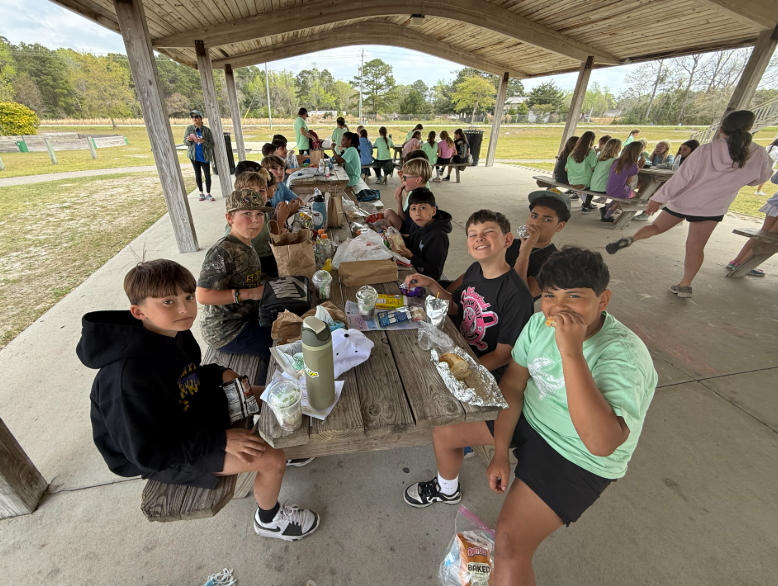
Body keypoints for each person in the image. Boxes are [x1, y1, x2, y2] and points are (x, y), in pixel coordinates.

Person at [403, 246, 657, 584]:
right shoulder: (539, 324)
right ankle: (446, 488)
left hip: (578, 455)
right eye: (551, 295)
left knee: (508, 547)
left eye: (575, 297)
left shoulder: (623, 355)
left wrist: (571, 351)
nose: (559, 308)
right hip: (532, 417)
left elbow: (601, 444)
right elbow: (513, 384)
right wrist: (499, 451)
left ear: (603, 300)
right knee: (447, 431)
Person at [77, 259, 320, 541]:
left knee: (270, 393)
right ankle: (269, 519)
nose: (184, 308)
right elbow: (148, 451)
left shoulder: (172, 331)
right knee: (272, 459)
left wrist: (219, 373)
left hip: (185, 411)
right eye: (168, 302)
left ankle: (278, 439)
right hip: (166, 451)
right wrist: (221, 440)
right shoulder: (126, 380)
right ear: (138, 311)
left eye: (189, 297)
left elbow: (185, 374)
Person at [606, 110, 774, 298]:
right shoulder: (758, 153)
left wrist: (657, 198)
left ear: (721, 129)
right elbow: (761, 177)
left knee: (655, 226)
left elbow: (682, 177)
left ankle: (632, 239)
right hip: (713, 207)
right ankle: (685, 285)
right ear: (749, 129)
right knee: (695, 247)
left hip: (684, 200)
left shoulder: (707, 149)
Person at [406, 209, 534, 381]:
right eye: (473, 235)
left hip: (483, 370)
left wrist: (461, 370)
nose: (479, 238)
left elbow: (503, 356)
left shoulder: (517, 296)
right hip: (458, 348)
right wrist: (430, 283)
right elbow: (454, 307)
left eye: (488, 232)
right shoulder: (474, 270)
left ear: (508, 239)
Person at [447, 190, 569, 300]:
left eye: (547, 219)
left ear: (559, 226)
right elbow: (475, 271)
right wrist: (448, 294)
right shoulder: (509, 243)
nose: (536, 223)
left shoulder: (556, 263)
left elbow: (521, 293)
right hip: (472, 299)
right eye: (534, 216)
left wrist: (525, 252)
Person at [197, 189, 274, 357]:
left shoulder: (246, 242)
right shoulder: (223, 251)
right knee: (277, 348)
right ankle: (264, 383)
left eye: (259, 213)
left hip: (248, 316)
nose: (255, 219)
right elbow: (203, 295)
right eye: (247, 213)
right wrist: (250, 294)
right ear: (229, 218)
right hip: (226, 330)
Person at [392, 188, 452, 281]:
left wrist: (411, 256)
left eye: (423, 208)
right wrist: (395, 237)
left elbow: (434, 273)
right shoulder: (416, 225)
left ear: (433, 211)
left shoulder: (438, 236)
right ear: (410, 213)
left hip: (427, 282)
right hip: (412, 269)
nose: (417, 213)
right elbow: (411, 243)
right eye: (413, 209)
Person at [727, 169, 778, 276]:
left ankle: (735, 261)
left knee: (763, 233)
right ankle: (743, 264)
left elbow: (774, 179)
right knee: (769, 238)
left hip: (774, 203)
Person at [384, 157, 432, 232]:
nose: (402, 180)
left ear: (418, 179)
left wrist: (397, 237)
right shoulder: (414, 194)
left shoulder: (421, 200)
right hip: (410, 228)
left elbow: (421, 232)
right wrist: (399, 203)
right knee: (388, 212)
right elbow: (406, 219)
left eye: (405, 178)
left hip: (413, 235)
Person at [600, 141, 643, 223]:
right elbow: (629, 182)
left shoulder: (616, 161)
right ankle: (607, 216)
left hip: (609, 189)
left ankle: (606, 209)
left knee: (621, 194)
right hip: (620, 191)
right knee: (635, 195)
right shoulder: (633, 165)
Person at [584, 138, 622, 213]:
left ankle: (586, 204)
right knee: (623, 191)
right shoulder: (614, 160)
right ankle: (611, 208)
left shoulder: (601, 159)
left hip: (593, 186)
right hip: (603, 189)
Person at [184, 110, 215, 202]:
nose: (194, 119)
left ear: (201, 118)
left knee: (207, 175)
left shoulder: (207, 130)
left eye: (196, 117)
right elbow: (185, 143)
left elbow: (211, 144)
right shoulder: (189, 129)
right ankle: (201, 193)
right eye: (192, 117)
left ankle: (208, 193)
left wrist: (203, 141)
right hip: (194, 156)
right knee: (198, 174)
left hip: (205, 156)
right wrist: (189, 140)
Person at [565, 131, 597, 198]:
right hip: (585, 182)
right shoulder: (591, 152)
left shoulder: (572, 153)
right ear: (592, 141)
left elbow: (566, 169)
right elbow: (594, 167)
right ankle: (586, 204)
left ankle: (584, 202)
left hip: (572, 181)